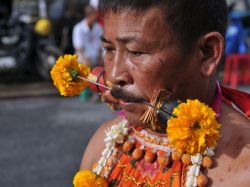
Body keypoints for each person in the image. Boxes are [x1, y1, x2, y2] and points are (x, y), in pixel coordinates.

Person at [79, 0, 250, 186]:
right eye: (109, 49)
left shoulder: (242, 169)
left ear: (207, 53)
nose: (114, 75)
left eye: (136, 52)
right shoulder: (103, 146)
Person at [73, 5, 103, 101]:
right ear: (89, 15)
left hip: (95, 56)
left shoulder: (98, 27)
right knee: (87, 67)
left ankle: (98, 91)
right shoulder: (78, 28)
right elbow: (79, 46)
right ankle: (93, 91)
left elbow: (101, 44)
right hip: (83, 57)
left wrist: (99, 57)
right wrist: (86, 58)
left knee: (102, 66)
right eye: (95, 14)